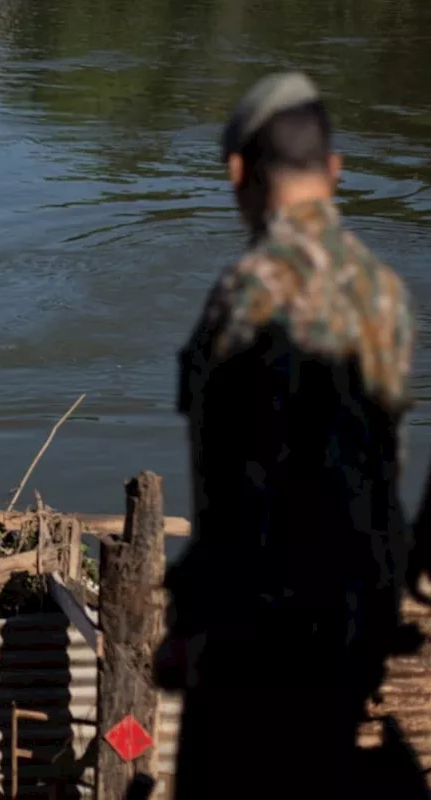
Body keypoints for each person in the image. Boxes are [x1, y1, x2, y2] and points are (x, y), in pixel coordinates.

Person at [154, 71, 417, 799]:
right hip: (358, 627)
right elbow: (383, 469)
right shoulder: (386, 289)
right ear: (334, 171)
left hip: (258, 637)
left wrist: (190, 630)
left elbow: (238, 482)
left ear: (238, 171)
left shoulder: (250, 291)